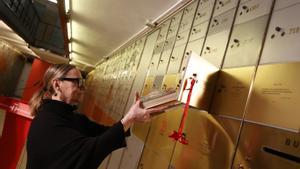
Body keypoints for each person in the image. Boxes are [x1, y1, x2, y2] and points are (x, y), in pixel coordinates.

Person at [26, 63, 164, 169]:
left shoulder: (72, 117)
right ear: (57, 85)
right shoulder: (46, 123)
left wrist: (134, 116)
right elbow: (88, 151)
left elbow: (107, 132)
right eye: (78, 83)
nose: (83, 89)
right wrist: (129, 119)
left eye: (83, 82)